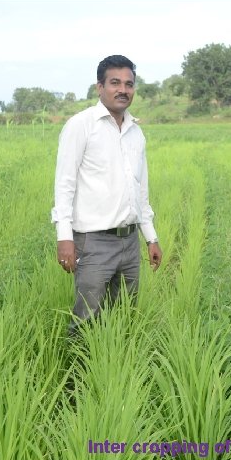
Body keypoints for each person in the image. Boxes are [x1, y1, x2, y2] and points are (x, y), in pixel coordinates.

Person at [52, 54, 162, 335]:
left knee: (124, 312)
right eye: (115, 82)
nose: (123, 90)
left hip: (129, 242)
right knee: (87, 317)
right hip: (93, 242)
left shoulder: (136, 132)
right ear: (99, 87)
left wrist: (151, 237)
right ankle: (78, 376)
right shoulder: (81, 125)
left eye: (129, 84)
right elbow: (64, 184)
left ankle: (115, 366)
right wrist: (64, 237)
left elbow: (140, 190)